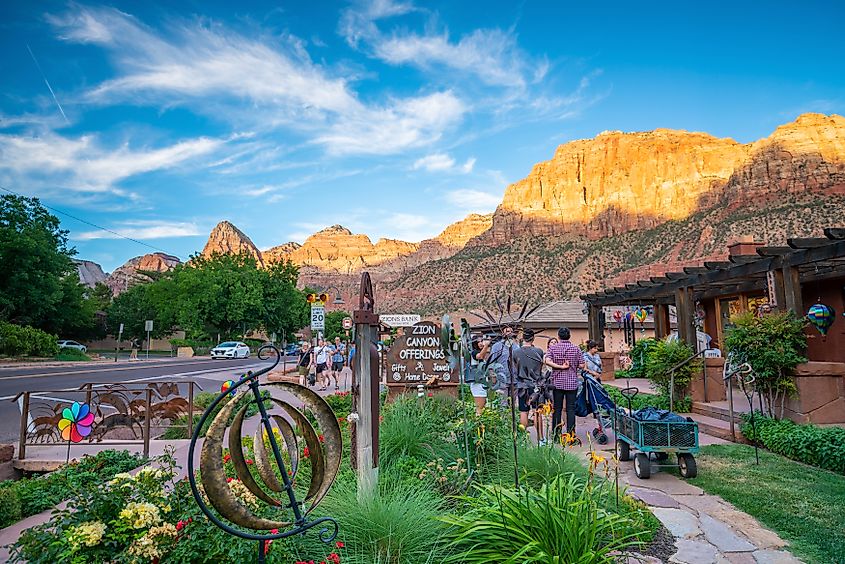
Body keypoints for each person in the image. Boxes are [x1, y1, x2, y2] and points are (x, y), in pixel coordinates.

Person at [544, 327, 583, 437]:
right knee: (570, 409)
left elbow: (547, 361)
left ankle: (556, 435)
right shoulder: (576, 348)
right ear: (569, 336)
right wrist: (573, 365)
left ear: (559, 336)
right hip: (571, 382)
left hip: (557, 382)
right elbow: (582, 365)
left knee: (557, 409)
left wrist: (560, 367)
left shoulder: (553, 348)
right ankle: (571, 435)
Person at [512, 329, 544, 440]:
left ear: (523, 338)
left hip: (522, 385)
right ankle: (541, 438)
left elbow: (515, 366)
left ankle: (522, 438)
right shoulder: (539, 351)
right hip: (535, 385)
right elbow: (540, 366)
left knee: (523, 411)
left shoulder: (515, 352)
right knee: (537, 411)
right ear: (533, 338)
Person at [467, 337, 492, 415]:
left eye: (482, 341)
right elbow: (480, 356)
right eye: (479, 342)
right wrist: (486, 346)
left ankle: (480, 425)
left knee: (482, 406)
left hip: (481, 382)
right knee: (480, 407)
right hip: (477, 383)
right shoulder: (474, 352)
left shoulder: (480, 352)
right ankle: (478, 425)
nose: (481, 343)